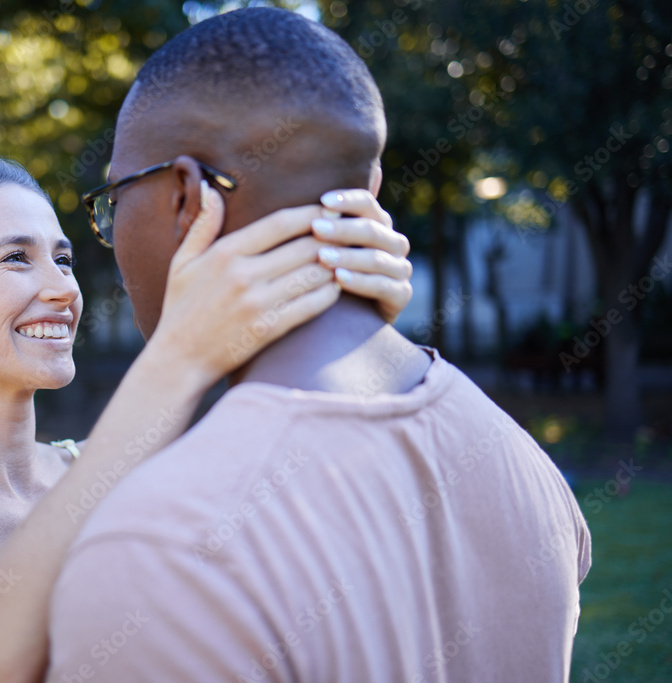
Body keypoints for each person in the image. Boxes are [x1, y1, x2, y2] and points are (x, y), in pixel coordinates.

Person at [42, 8, 592, 683]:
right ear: (370, 194)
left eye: (114, 196)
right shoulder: (525, 463)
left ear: (188, 197)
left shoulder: (159, 548)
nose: (107, 229)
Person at [0, 150, 415, 683]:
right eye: (16, 257)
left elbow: (319, 537)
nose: (63, 289)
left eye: (64, 260)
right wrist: (181, 354)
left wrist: (350, 317)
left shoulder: (125, 470)